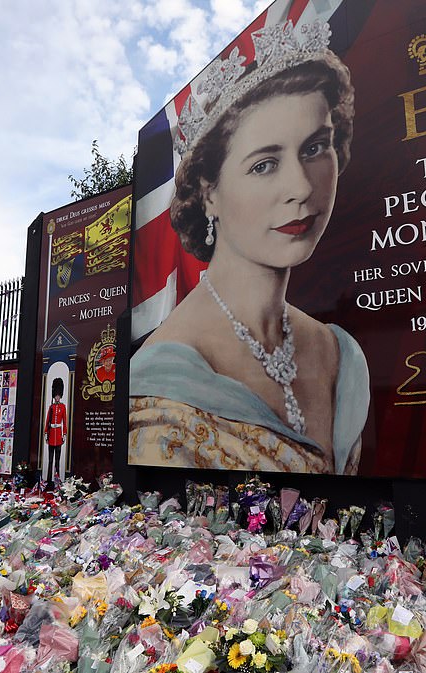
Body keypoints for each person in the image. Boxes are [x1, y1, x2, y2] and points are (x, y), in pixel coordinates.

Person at [129, 20, 369, 475]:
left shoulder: (340, 352)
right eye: (264, 165)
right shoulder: (162, 385)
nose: (301, 187)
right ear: (209, 192)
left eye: (316, 147)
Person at [44, 379, 67, 487]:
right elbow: (47, 420)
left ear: (60, 396)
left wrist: (64, 434)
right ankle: (48, 480)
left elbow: (65, 421)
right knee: (50, 460)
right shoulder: (51, 407)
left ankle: (57, 480)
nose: (57, 397)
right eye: (56, 396)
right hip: (52, 434)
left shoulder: (63, 407)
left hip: (58, 434)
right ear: (54, 396)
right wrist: (45, 433)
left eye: (58, 395)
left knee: (57, 460)